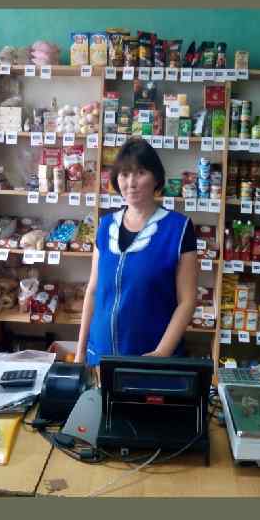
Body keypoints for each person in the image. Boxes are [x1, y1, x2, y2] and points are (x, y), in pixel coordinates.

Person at [75, 138, 198, 366]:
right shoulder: (105, 226)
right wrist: (80, 352)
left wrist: (161, 353)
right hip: (100, 356)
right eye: (124, 174)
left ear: (156, 178)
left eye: (140, 173)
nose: (131, 183)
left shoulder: (178, 228)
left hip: (150, 359)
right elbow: (93, 291)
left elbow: (187, 301)